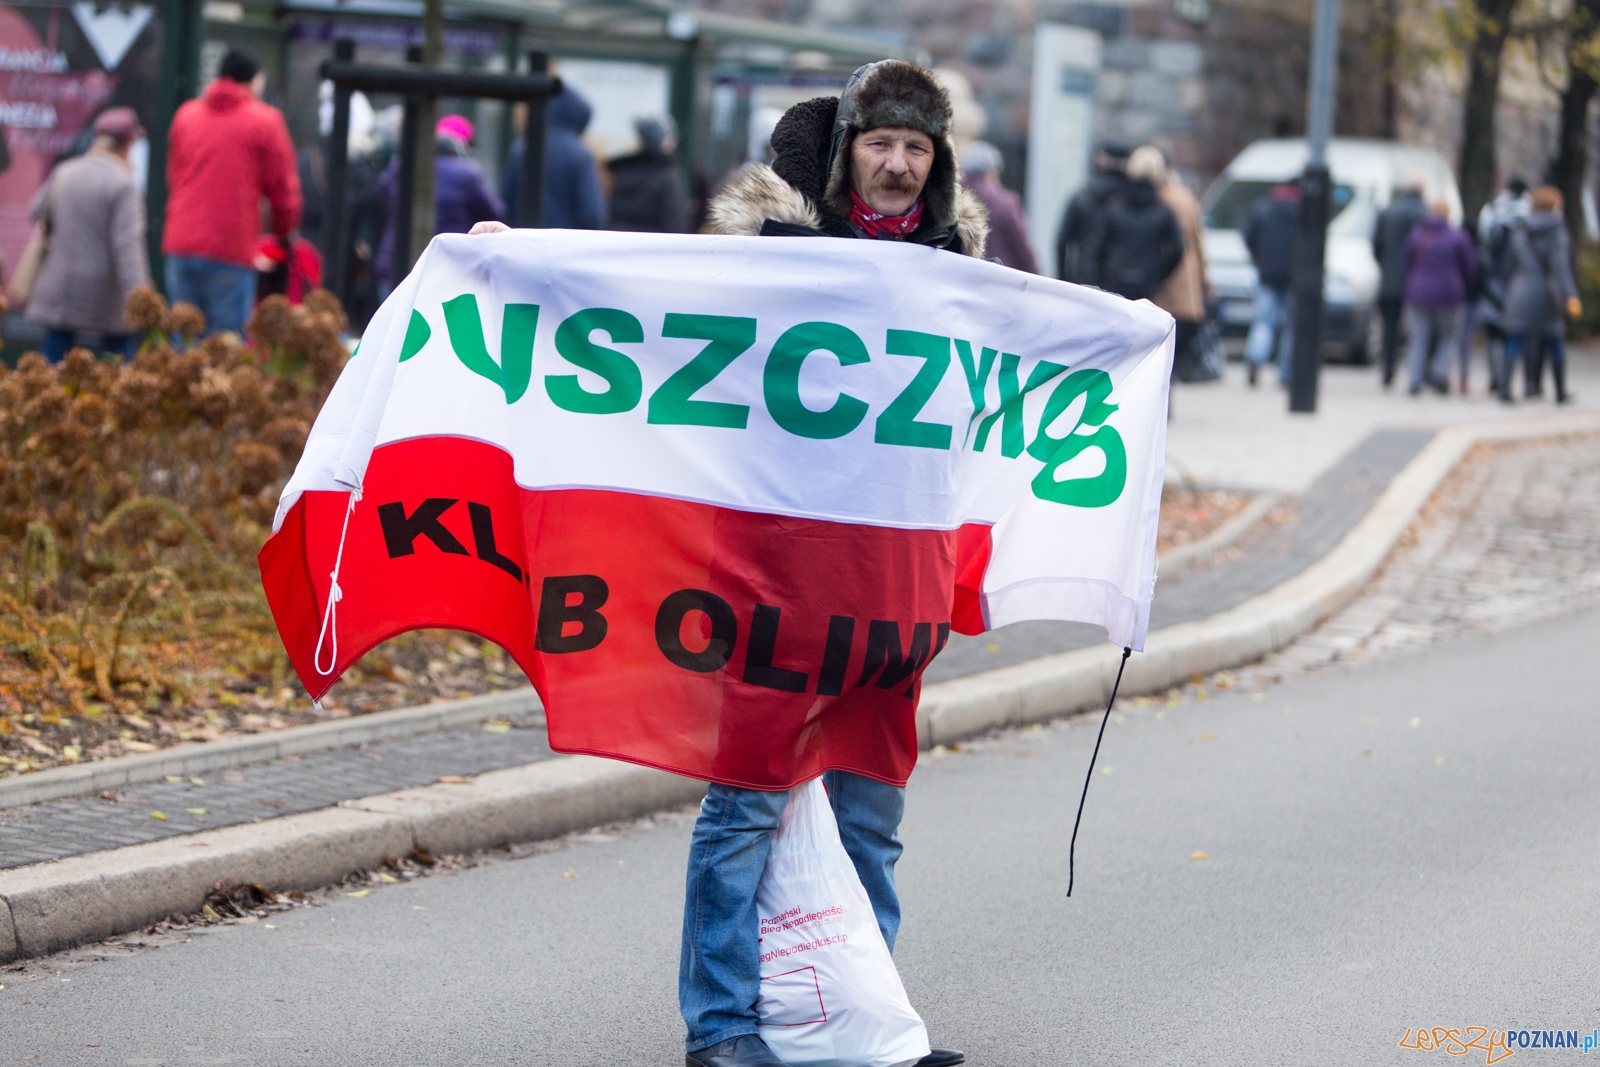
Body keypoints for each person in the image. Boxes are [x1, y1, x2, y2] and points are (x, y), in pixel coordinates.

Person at [163, 49, 301, 335]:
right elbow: (282, 191)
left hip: (180, 245)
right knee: (225, 351)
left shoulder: (186, 115)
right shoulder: (265, 121)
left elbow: (174, 177)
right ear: (252, 82)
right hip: (229, 247)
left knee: (181, 352)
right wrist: (283, 233)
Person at [24, 107, 149, 361]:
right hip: (105, 297)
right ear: (128, 144)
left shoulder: (66, 172)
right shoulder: (123, 185)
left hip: (62, 288)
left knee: (51, 367)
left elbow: (37, 210)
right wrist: (142, 300)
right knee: (118, 368)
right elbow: (128, 248)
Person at [376, 116, 505, 288]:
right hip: (449, 268)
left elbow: (380, 199)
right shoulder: (468, 173)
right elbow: (495, 214)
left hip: (395, 265)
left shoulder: (401, 165)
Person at [1127, 145, 1207, 371]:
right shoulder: (1183, 197)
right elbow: (1198, 241)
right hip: (1185, 289)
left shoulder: (1151, 201)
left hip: (1158, 289)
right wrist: (1204, 281)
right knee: (1169, 364)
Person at [1498, 185, 1580, 404]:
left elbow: (1507, 266)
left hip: (1520, 292)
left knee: (1514, 340)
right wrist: (1570, 295)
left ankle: (1505, 389)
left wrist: (1508, 291)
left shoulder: (1520, 231)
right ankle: (1560, 392)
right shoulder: (1557, 233)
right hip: (1547, 294)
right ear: (1555, 206)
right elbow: (1561, 268)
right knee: (1555, 342)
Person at [499, 87, 605, 229]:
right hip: (566, 245)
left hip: (526, 242)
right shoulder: (581, 154)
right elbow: (591, 213)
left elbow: (504, 204)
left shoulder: (522, 149)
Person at [1400, 200, 1476, 395]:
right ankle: (1438, 373)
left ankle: (1415, 380)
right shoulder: (1458, 236)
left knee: (1418, 337)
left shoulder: (1417, 234)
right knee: (1449, 336)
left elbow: (1406, 262)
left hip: (1419, 291)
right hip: (1449, 293)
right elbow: (1470, 268)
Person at [1241, 182, 1299, 385]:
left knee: (1263, 322)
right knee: (1291, 327)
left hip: (1267, 274)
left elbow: (1248, 237)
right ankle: (1285, 372)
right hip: (1294, 277)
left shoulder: (1263, 208)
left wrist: (1260, 259)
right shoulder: (1303, 211)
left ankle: (1255, 357)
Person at [1372, 175, 1428, 387]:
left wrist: (1386, 266)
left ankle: (1388, 369)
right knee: (1419, 329)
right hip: (1418, 280)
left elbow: (1376, 246)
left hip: (1390, 279)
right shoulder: (1424, 214)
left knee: (1389, 328)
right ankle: (1418, 374)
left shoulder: (1388, 212)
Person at [1054, 141, 1128, 281]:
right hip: (1119, 283)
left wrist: (1063, 278)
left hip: (1083, 279)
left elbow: (1062, 241)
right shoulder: (1132, 202)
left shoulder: (1082, 197)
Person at [959, 140, 1036, 272]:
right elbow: (1022, 250)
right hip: (1000, 278)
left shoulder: (953, 199)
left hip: (963, 277)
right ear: (991, 173)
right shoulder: (1005, 202)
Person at [607, 116, 689, 233]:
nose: (673, 143)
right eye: (669, 138)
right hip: (653, 247)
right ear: (660, 141)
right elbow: (675, 222)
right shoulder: (667, 176)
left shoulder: (623, 171)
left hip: (620, 244)